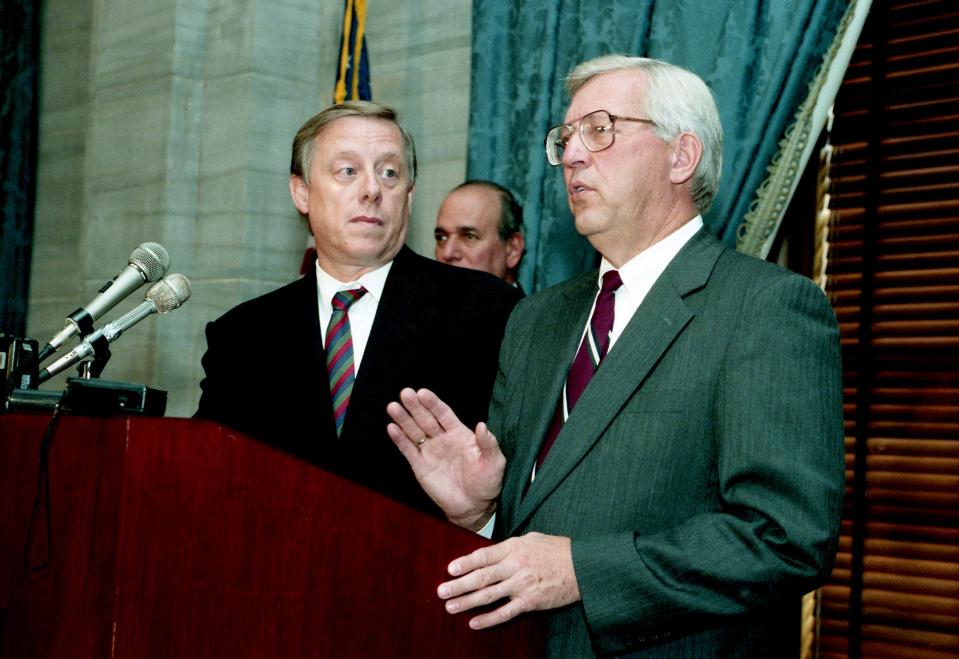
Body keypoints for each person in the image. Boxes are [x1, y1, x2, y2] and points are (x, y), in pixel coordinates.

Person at [386, 55, 844, 656]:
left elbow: (785, 539)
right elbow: (530, 541)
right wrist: (480, 514)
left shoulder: (766, 308)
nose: (573, 155)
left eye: (600, 129)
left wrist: (585, 571)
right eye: (566, 138)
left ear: (681, 156)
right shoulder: (535, 319)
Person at [196, 101, 522, 514]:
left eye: (389, 173)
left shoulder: (490, 311)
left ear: (409, 195)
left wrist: (480, 515)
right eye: (347, 171)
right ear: (302, 192)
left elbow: (526, 481)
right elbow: (205, 479)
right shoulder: (242, 335)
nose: (372, 190)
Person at [434, 180, 525, 288]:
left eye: (469, 236)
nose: (447, 253)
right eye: (441, 238)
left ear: (512, 250)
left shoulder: (531, 305)